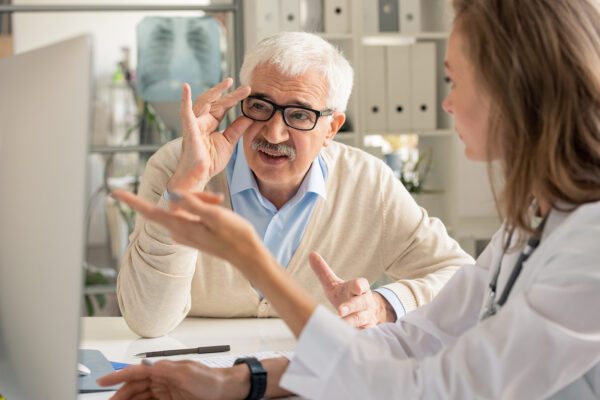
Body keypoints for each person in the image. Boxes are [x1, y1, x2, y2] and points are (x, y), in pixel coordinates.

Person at [103, 0, 600, 396]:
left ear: (512, 91)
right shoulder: (531, 221)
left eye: (454, 79)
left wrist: (254, 261)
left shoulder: (589, 246)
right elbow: (413, 342)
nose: (446, 102)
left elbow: (428, 388)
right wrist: (239, 380)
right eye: (260, 106)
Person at [117, 31, 472, 338]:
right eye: (260, 106)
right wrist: (185, 189)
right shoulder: (177, 165)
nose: (273, 132)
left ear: (331, 128)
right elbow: (149, 321)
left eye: (299, 114)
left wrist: (384, 305)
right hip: (197, 377)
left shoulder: (367, 183)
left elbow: (462, 278)